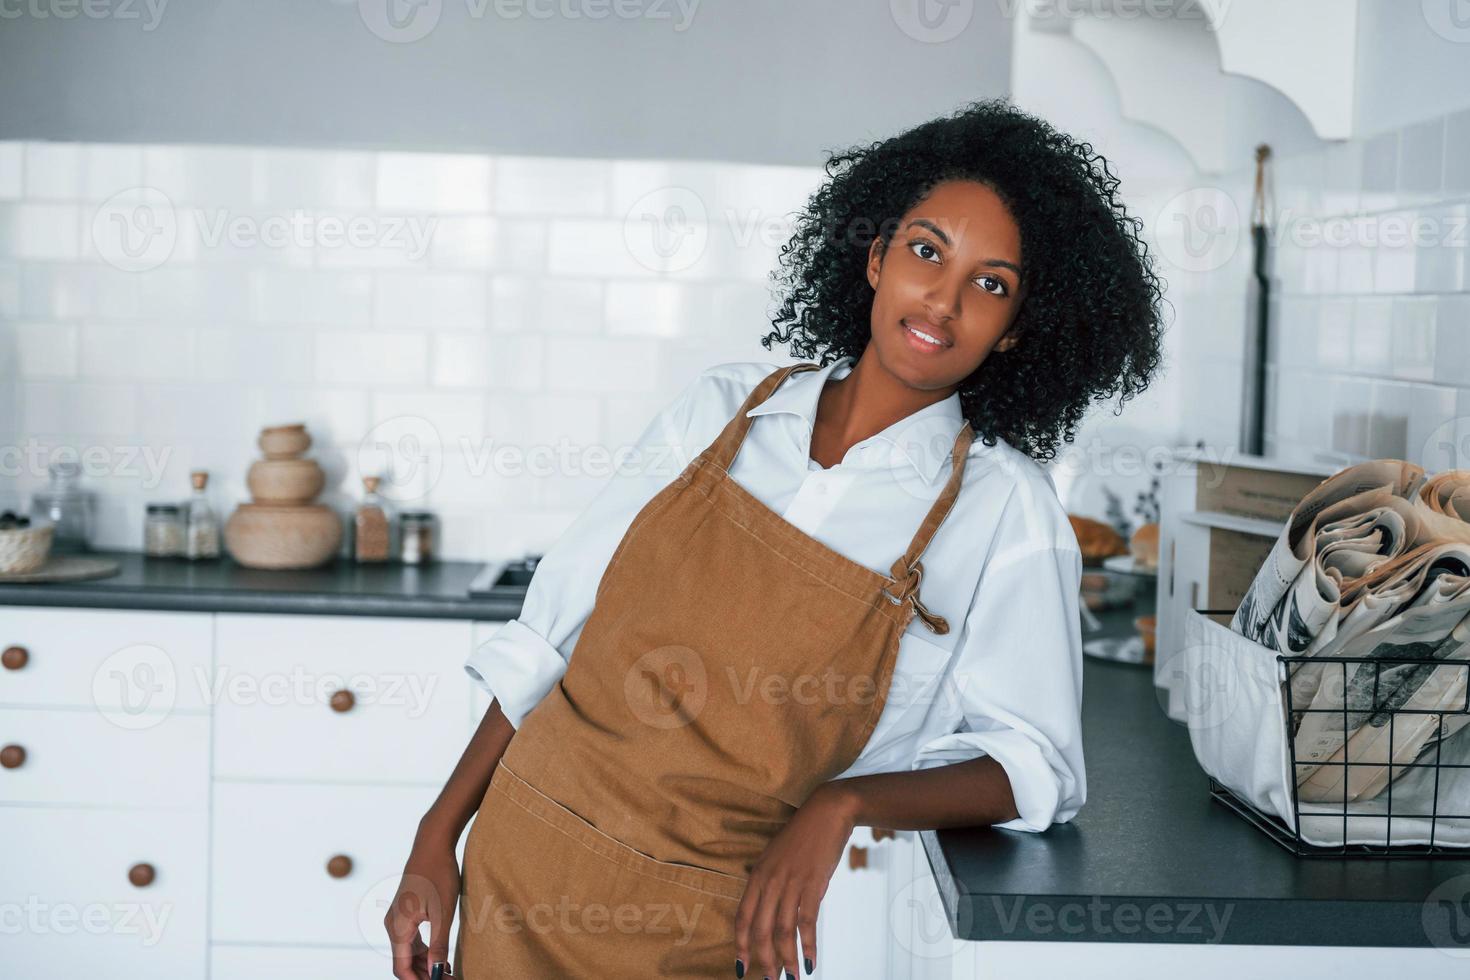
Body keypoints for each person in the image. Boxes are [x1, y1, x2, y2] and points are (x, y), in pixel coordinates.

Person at [384, 97, 1165, 979]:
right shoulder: (724, 412)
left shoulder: (1003, 508)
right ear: (875, 258)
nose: (942, 303)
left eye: (990, 284)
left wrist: (843, 803)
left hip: (709, 923)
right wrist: (434, 837)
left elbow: (1036, 767)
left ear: (1017, 326)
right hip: (520, 866)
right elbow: (549, 639)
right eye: (925, 252)